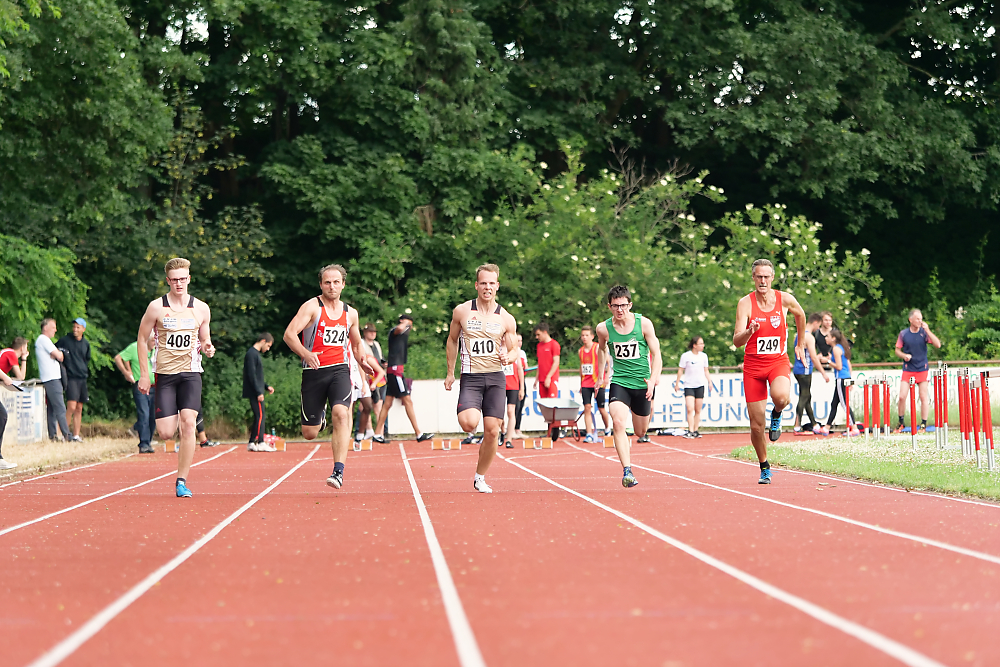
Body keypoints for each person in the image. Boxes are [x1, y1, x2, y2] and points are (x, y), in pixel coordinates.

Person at [283, 264, 377, 489]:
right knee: (309, 433)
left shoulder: (350, 313)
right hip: (313, 372)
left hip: (339, 370)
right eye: (327, 282)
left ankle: (338, 471)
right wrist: (306, 354)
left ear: (343, 284)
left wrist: (362, 360)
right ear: (321, 285)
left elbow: (356, 343)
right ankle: (320, 418)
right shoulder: (311, 307)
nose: (332, 286)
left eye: (336, 282)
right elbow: (289, 334)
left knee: (342, 414)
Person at [137, 258, 215, 499]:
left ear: (189, 279)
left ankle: (182, 481)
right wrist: (144, 375)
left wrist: (208, 346)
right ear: (168, 281)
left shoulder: (201, 308)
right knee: (166, 433)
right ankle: (176, 431)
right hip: (165, 376)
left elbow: (205, 338)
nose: (179, 283)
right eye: (174, 280)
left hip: (191, 374)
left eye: (183, 279)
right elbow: (141, 339)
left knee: (189, 423)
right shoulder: (156, 307)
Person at [732, 259, 806, 484]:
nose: (762, 281)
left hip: (777, 362)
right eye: (759, 276)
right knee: (756, 426)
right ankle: (764, 466)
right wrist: (749, 331)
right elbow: (737, 341)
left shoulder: (785, 299)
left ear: (772, 277)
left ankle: (777, 413)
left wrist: (800, 343)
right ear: (753, 278)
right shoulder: (745, 303)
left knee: (781, 397)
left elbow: (801, 315)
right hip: (753, 367)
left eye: (766, 276)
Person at [445, 263, 518, 493]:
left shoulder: (506, 318)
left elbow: (514, 349)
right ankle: (473, 420)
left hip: (496, 378)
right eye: (483, 283)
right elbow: (452, 340)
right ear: (477, 285)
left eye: (491, 283)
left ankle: (480, 477)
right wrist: (450, 372)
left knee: (493, 431)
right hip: (472, 378)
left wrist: (508, 357)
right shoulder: (462, 311)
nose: (487, 287)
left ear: (497, 286)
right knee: (469, 423)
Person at [596, 285, 663, 488]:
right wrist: (601, 374)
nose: (620, 310)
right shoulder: (603, 329)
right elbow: (601, 349)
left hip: (642, 383)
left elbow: (657, 354)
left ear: (630, 305)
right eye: (615, 306)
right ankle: (627, 471)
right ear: (609, 306)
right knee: (618, 422)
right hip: (620, 382)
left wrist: (653, 379)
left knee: (640, 432)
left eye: (623, 305)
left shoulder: (644, 324)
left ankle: (631, 438)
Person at [372, 315, 433, 444]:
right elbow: (399, 329)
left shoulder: (402, 335)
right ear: (401, 321)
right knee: (408, 401)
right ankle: (418, 433)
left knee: (387, 404)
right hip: (395, 371)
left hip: (395, 370)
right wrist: (405, 323)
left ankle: (377, 433)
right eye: (408, 325)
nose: (409, 328)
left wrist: (407, 325)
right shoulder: (395, 331)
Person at [895, 308, 942, 432]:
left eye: (921, 319)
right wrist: (904, 356)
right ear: (910, 320)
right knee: (902, 396)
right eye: (917, 319)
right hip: (908, 368)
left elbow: (938, 344)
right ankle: (901, 422)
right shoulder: (904, 334)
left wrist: (928, 330)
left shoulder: (924, 333)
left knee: (923, 396)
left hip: (922, 368)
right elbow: (897, 350)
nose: (920, 321)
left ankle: (923, 423)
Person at [113, 335, 157, 453]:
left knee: (153, 416)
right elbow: (118, 358)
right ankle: (144, 443)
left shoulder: (156, 349)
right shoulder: (135, 347)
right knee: (144, 414)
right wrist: (126, 372)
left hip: (155, 386)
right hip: (141, 386)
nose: (154, 343)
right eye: (153, 340)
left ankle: (148, 440)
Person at [792, 313, 831, 435]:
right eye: (818, 325)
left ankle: (814, 424)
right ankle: (797, 426)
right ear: (815, 323)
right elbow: (813, 357)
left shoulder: (797, 335)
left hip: (798, 369)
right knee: (804, 397)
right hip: (805, 370)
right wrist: (823, 373)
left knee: (807, 396)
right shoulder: (809, 337)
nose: (818, 328)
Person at [35, 318, 71, 442]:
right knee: (60, 408)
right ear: (45, 328)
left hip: (49, 378)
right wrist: (58, 353)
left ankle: (53, 435)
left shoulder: (43, 341)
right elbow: (60, 356)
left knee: (52, 408)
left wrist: (57, 353)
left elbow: (57, 354)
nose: (55, 330)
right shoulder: (44, 340)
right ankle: (67, 435)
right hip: (52, 378)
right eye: (53, 327)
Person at [56, 318, 90, 442]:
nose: (75, 329)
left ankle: (75, 435)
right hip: (71, 377)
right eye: (74, 327)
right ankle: (63, 433)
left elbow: (86, 359)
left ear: (83, 329)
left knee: (79, 407)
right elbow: (54, 351)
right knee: (71, 406)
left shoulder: (86, 343)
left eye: (78, 327)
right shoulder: (65, 340)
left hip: (82, 377)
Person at [674, 336, 712, 438]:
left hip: (700, 385)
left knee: (698, 409)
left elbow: (706, 370)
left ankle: (695, 430)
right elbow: (681, 370)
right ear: (694, 345)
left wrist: (709, 381)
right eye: (700, 343)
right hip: (689, 385)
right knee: (690, 408)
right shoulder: (686, 356)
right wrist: (677, 383)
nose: (703, 345)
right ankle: (690, 430)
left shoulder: (704, 356)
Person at [243, 333, 275, 452]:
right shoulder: (251, 354)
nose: (268, 349)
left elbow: (257, 376)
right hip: (255, 391)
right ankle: (260, 442)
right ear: (263, 341)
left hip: (257, 389)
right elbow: (251, 375)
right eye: (268, 345)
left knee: (258, 417)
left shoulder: (255, 354)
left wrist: (266, 387)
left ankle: (252, 442)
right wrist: (258, 392)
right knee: (261, 416)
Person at [824, 329, 858, 436]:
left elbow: (839, 366)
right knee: (834, 403)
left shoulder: (836, 349)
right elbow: (847, 364)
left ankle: (854, 428)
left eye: (828, 336)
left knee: (844, 404)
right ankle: (827, 427)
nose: (826, 338)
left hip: (841, 378)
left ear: (833, 338)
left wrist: (828, 361)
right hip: (845, 377)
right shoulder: (841, 348)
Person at [579, 326, 607, 443]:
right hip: (586, 383)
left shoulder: (597, 348)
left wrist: (605, 378)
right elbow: (581, 368)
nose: (584, 337)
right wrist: (580, 383)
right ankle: (589, 433)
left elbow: (607, 362)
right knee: (587, 408)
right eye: (582, 335)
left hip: (597, 383)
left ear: (592, 336)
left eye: (586, 335)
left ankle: (607, 428)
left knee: (601, 408)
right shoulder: (580, 351)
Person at [358, 322, 386, 440]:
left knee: (377, 408)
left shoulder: (376, 345)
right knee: (364, 407)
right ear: (365, 333)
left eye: (374, 332)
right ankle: (370, 430)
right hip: (370, 378)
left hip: (376, 379)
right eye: (370, 332)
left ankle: (379, 433)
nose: (373, 334)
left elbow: (379, 365)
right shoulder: (362, 344)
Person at [0, 341, 25, 469]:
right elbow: (21, 376)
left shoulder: (6, 352)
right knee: (1, 416)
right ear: (23, 347)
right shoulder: (11, 354)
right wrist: (24, 359)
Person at [502, 332, 525, 448]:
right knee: (498, 413)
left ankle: (509, 439)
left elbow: (520, 369)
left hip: (513, 385)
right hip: (499, 386)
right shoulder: (496, 349)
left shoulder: (515, 350)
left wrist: (522, 388)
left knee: (511, 411)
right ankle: (502, 430)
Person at [533, 322, 560, 401]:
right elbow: (540, 363)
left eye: (538, 334)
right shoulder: (539, 346)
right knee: (543, 404)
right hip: (541, 379)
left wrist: (549, 377)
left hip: (551, 379)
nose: (537, 337)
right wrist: (537, 379)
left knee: (552, 403)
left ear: (545, 332)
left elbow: (556, 362)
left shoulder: (554, 344)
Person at [513, 333, 528, 439]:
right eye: (517, 340)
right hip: (512, 381)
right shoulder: (510, 352)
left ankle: (517, 428)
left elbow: (525, 367)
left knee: (520, 406)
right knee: (513, 407)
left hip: (521, 380)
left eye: (521, 341)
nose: (519, 343)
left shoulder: (522, 353)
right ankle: (510, 429)